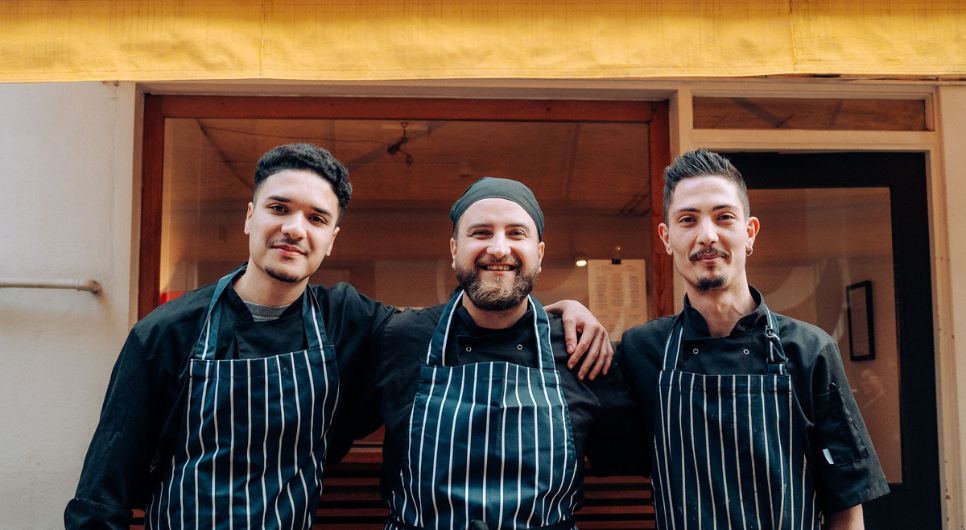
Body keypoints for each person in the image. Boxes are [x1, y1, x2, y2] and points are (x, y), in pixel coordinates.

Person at [66, 145, 611, 530]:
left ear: (332, 237)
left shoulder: (348, 320)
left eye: (316, 217)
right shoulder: (167, 332)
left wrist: (558, 309)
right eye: (279, 209)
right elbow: (102, 493)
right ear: (251, 217)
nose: (294, 229)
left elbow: (476, 312)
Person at [618, 149, 889, 530]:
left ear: (749, 233)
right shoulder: (643, 350)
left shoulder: (810, 351)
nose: (707, 235)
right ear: (667, 238)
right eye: (688, 220)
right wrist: (566, 310)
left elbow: (845, 504)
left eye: (724, 217)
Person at [362, 177, 642, 530]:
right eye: (480, 232)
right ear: (453, 250)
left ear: (539, 254)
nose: (498, 248)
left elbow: (630, 454)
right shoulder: (401, 338)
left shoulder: (578, 349)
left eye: (516, 233)